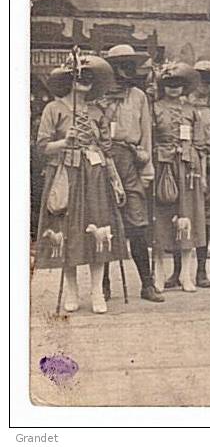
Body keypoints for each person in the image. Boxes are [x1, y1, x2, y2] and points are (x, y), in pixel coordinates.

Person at [36, 55, 128, 314]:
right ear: (69, 78)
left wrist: (114, 175)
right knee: (68, 231)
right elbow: (42, 146)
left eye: (91, 77)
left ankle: (97, 290)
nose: (86, 81)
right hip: (65, 174)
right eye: (81, 75)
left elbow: (107, 149)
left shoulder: (98, 111)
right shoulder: (53, 109)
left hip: (96, 175)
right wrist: (66, 141)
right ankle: (72, 290)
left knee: (98, 229)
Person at [98, 44, 162, 302]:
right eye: (119, 64)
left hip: (131, 161)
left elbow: (146, 134)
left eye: (129, 64)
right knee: (103, 223)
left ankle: (147, 284)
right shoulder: (97, 94)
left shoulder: (138, 96)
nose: (125, 70)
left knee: (136, 223)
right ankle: (102, 284)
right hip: (103, 160)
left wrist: (146, 169)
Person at [151, 63, 208, 292]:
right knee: (162, 220)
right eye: (169, 84)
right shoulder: (154, 108)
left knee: (188, 219)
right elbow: (150, 138)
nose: (174, 88)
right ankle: (158, 274)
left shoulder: (191, 111)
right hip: (163, 168)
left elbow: (201, 145)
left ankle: (186, 274)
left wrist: (202, 175)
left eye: (178, 84)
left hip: (188, 169)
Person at [187, 60, 210, 287]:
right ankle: (180, 270)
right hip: (185, 164)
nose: (205, 86)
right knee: (183, 215)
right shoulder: (183, 106)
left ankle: (201, 269)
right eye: (201, 80)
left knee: (205, 217)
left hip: (208, 167)